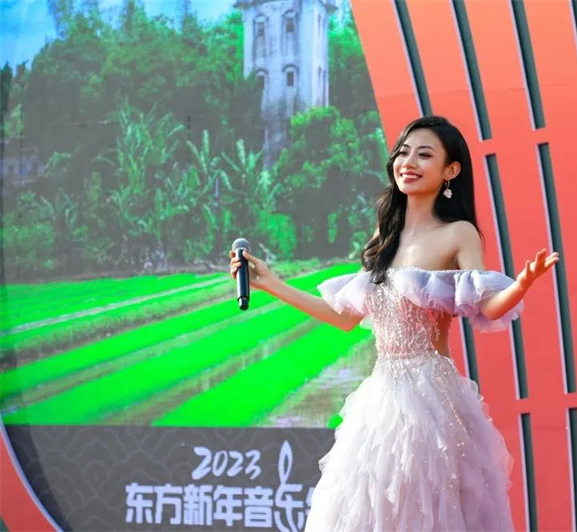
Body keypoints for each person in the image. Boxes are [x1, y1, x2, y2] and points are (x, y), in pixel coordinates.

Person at [230, 115, 559, 531]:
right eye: (404, 153)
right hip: (380, 398)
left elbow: (487, 305)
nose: (409, 162)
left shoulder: (458, 233)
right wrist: (271, 283)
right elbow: (344, 317)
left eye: (424, 155)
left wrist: (522, 283)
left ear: (450, 170)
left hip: (431, 400)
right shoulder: (384, 235)